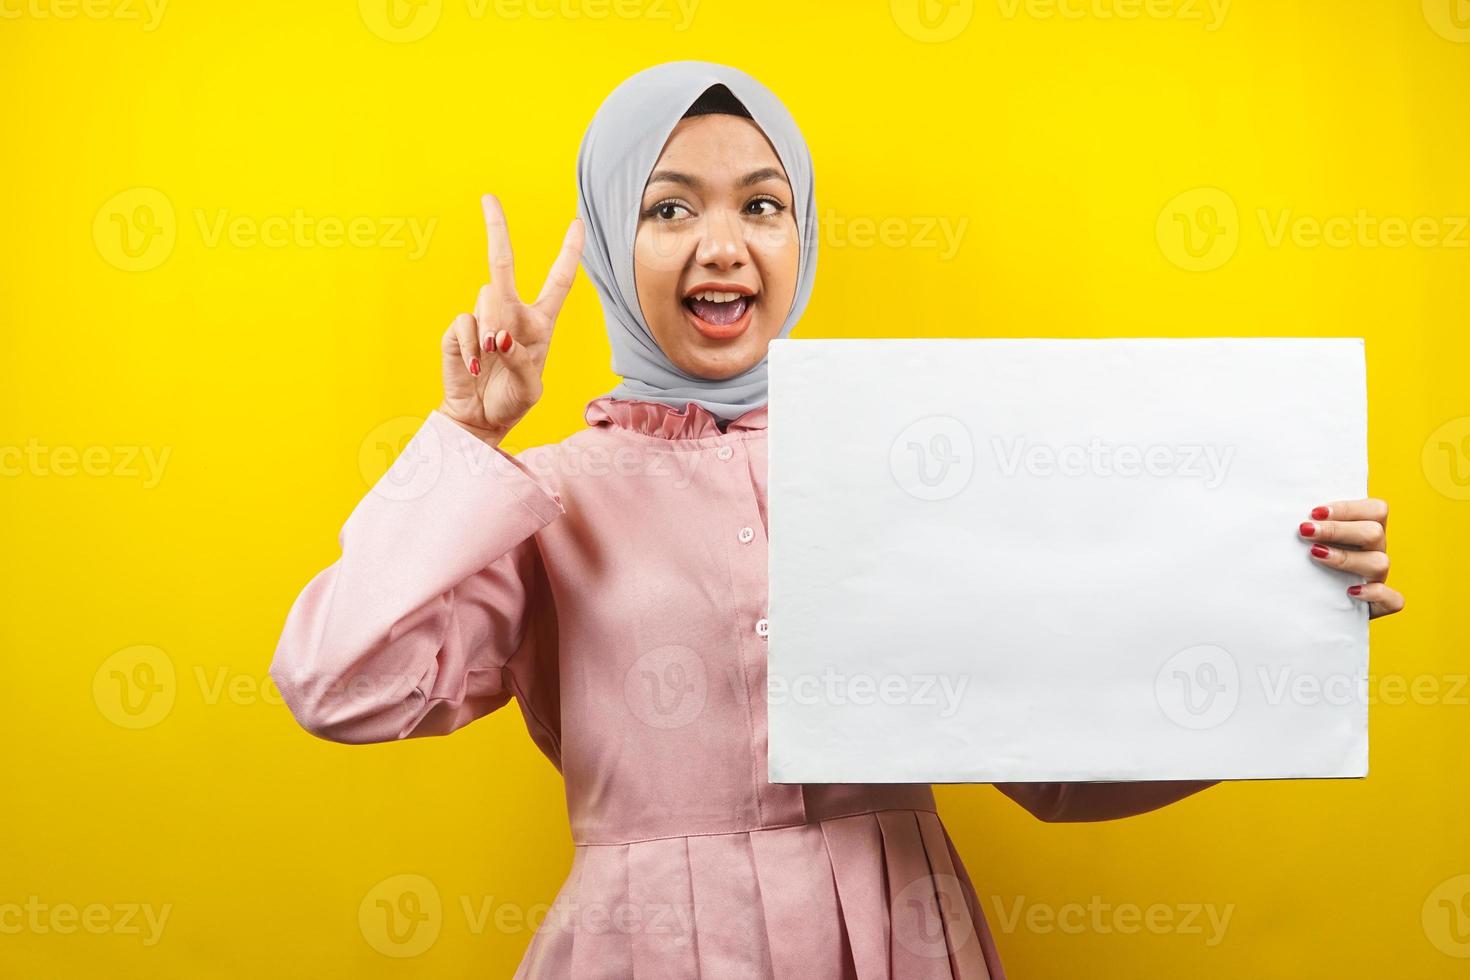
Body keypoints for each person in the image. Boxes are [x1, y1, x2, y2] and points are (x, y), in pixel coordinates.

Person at [269, 61, 1404, 979]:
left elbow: (1058, 765)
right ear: (618, 246)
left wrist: (1287, 621)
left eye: (764, 205)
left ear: (800, 235)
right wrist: (473, 441)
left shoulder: (912, 461)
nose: (726, 244)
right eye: (671, 208)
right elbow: (336, 682)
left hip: (902, 934)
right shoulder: (545, 493)